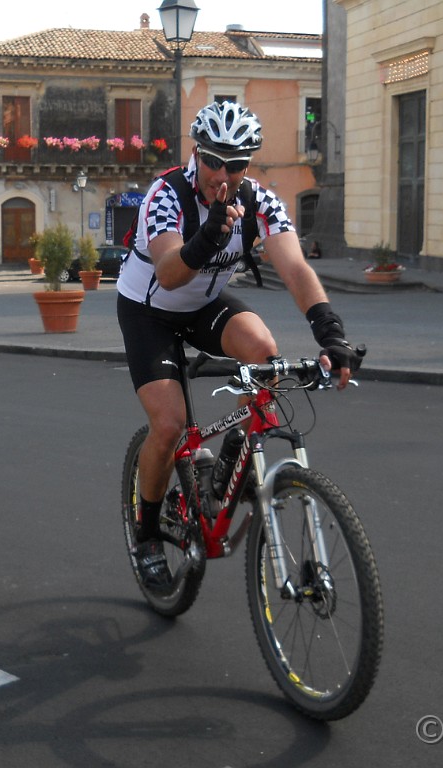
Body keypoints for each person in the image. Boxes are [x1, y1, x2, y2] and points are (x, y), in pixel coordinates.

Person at [116, 101, 363, 590]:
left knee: (264, 352)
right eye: (213, 161)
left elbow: (295, 269)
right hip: (149, 309)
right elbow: (167, 274)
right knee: (167, 425)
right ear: (196, 154)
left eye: (237, 164)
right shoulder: (166, 194)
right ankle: (145, 533)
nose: (223, 175)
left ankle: (230, 460)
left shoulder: (259, 202)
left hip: (202, 304)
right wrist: (207, 238)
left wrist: (330, 333)